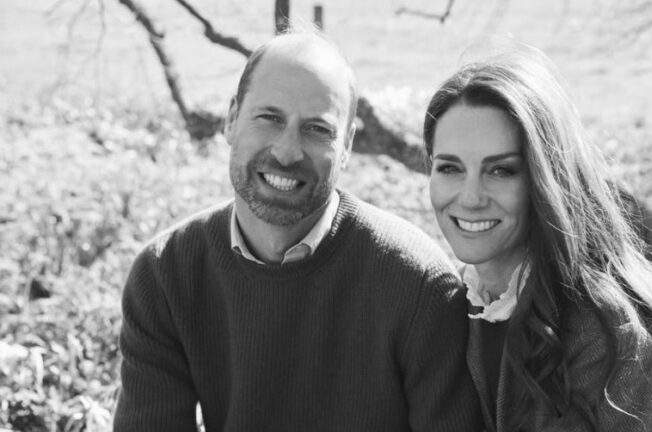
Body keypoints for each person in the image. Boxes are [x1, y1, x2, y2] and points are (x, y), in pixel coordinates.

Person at [114, 28, 482, 431]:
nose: (287, 152)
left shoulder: (418, 285)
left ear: (347, 146)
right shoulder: (166, 273)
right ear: (232, 119)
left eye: (317, 129)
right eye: (269, 118)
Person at [423, 45, 652, 432]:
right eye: (449, 168)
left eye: (501, 170)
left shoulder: (607, 329)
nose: (470, 197)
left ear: (545, 178)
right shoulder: (446, 301)